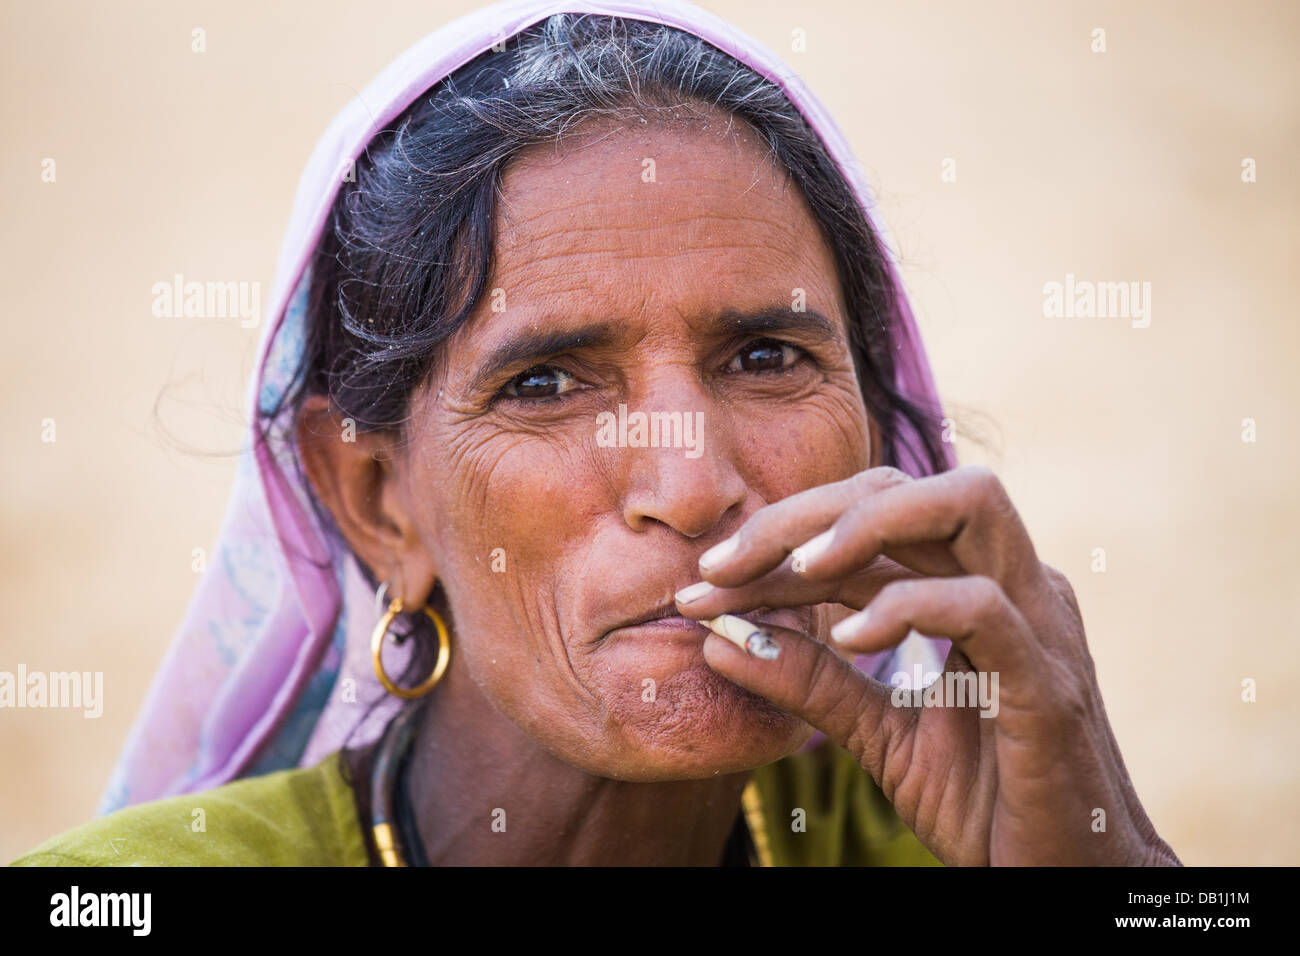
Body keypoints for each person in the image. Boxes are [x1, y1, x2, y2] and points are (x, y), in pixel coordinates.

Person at [12, 0, 1179, 867]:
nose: (696, 479)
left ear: (877, 436)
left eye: (766, 357)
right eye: (547, 381)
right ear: (377, 500)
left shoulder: (980, 843)